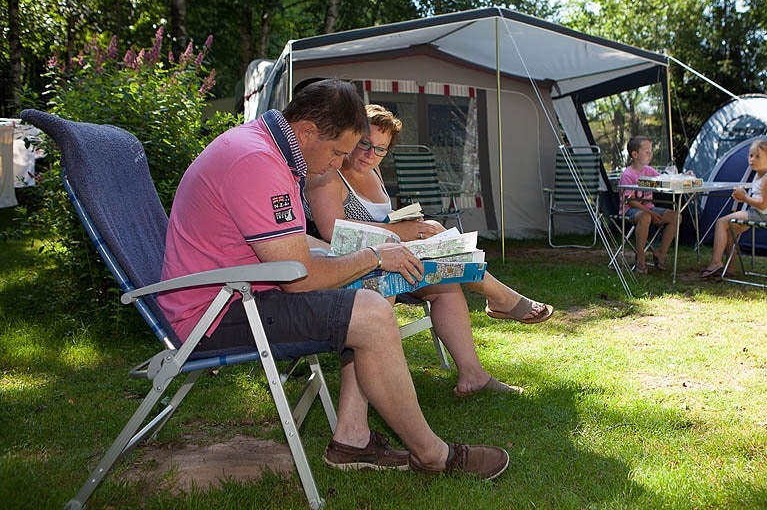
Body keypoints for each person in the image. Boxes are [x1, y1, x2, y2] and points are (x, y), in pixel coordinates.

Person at [157, 80, 509, 479]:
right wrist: (374, 254)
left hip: (238, 293)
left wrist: (365, 260)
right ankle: (433, 455)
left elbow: (288, 247)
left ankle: (351, 438)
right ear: (307, 131)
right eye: (338, 151)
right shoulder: (255, 162)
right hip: (215, 315)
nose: (337, 163)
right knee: (372, 313)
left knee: (368, 289)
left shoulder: (267, 150)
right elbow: (299, 278)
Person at [303, 105, 554, 397]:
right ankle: (502, 298)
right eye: (365, 144)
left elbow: (379, 219)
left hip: (391, 260)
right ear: (352, 136)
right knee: (438, 257)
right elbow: (334, 232)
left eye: (381, 149)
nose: (370, 154)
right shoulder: (328, 173)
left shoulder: (373, 170)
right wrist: (404, 232)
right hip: (352, 267)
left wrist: (408, 224)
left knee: (444, 281)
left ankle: (472, 374)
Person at [701, 139, 767, 278]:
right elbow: (757, 200)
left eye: (757, 157)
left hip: (765, 215)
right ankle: (730, 268)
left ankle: (716, 262)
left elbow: (763, 204)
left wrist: (744, 197)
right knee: (730, 230)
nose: (753, 159)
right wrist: (741, 197)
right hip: (757, 212)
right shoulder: (759, 175)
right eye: (751, 156)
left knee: (721, 222)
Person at [617, 136, 679, 273]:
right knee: (646, 217)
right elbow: (630, 200)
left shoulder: (649, 171)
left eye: (651, 151)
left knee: (675, 216)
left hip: (649, 208)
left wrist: (683, 176)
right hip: (630, 210)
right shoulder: (627, 175)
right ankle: (640, 256)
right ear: (634, 154)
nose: (650, 154)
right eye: (646, 151)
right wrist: (651, 213)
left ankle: (661, 252)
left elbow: (664, 179)